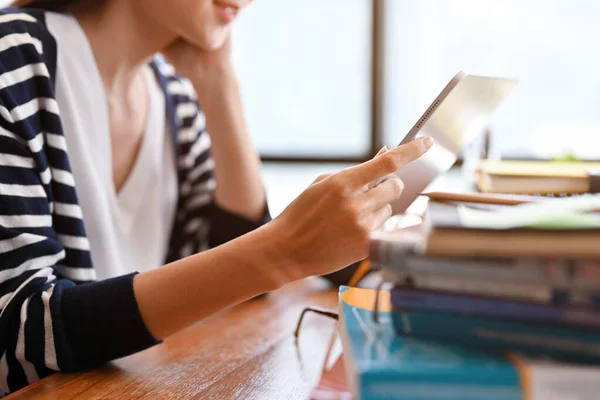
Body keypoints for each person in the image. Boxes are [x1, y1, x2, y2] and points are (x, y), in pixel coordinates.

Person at [0, 0, 433, 394]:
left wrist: (219, 82)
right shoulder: (13, 60)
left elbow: (217, 279)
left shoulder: (169, 94)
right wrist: (281, 252)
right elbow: (22, 330)